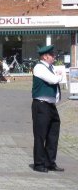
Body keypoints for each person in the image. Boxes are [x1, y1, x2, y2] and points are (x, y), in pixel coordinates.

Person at [32, 44, 64, 173]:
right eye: (52, 55)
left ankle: (50, 161)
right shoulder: (39, 68)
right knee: (40, 135)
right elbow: (53, 80)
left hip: (51, 105)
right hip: (41, 105)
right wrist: (61, 76)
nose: (54, 57)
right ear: (45, 56)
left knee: (53, 135)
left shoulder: (50, 67)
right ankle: (39, 163)